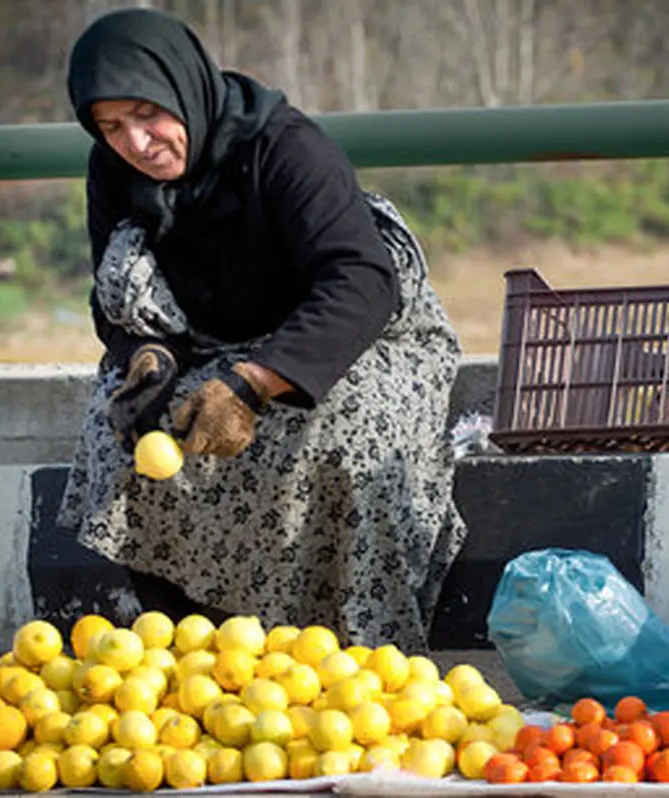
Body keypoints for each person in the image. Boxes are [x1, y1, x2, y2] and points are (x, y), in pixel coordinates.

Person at [55, 6, 467, 653]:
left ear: (183, 88)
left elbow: (361, 280)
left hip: (353, 335)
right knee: (119, 435)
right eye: (110, 126)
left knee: (349, 430)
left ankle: (355, 650)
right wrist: (148, 362)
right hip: (214, 342)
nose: (135, 143)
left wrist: (252, 383)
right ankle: (196, 648)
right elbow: (121, 292)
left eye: (147, 114)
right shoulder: (113, 172)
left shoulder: (283, 146)